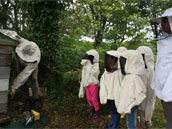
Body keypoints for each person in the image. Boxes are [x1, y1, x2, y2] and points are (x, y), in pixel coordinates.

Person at [0, 29, 41, 112]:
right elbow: (13, 34)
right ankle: (27, 100)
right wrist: (1, 30)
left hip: (30, 66)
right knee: (22, 82)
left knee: (33, 79)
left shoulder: (35, 59)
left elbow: (24, 75)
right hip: (20, 63)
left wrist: (13, 87)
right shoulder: (23, 42)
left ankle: (36, 100)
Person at [151, 8, 172, 128]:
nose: (162, 24)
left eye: (165, 21)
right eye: (162, 21)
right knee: (169, 119)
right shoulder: (164, 41)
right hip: (164, 87)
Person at [117, 50, 146, 129]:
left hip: (131, 106)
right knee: (130, 122)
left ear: (131, 61)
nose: (122, 63)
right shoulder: (129, 76)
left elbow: (141, 94)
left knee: (131, 123)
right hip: (128, 105)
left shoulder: (134, 77)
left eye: (123, 61)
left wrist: (131, 105)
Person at [99, 50, 122, 129]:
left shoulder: (119, 71)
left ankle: (114, 126)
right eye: (107, 58)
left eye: (110, 58)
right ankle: (112, 123)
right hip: (108, 94)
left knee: (116, 110)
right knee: (111, 109)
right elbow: (103, 81)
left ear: (114, 59)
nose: (108, 60)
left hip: (116, 95)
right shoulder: (107, 70)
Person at [137, 46, 156, 128]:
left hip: (147, 100)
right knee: (139, 114)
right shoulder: (138, 69)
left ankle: (147, 122)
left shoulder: (151, 71)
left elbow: (151, 91)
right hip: (139, 99)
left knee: (145, 117)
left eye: (143, 56)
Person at [78, 49, 100, 122]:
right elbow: (83, 76)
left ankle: (97, 114)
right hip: (87, 85)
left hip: (93, 84)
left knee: (94, 99)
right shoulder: (85, 65)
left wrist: (89, 64)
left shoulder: (96, 65)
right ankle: (92, 111)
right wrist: (82, 86)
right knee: (89, 99)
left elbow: (94, 72)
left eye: (88, 56)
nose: (86, 57)